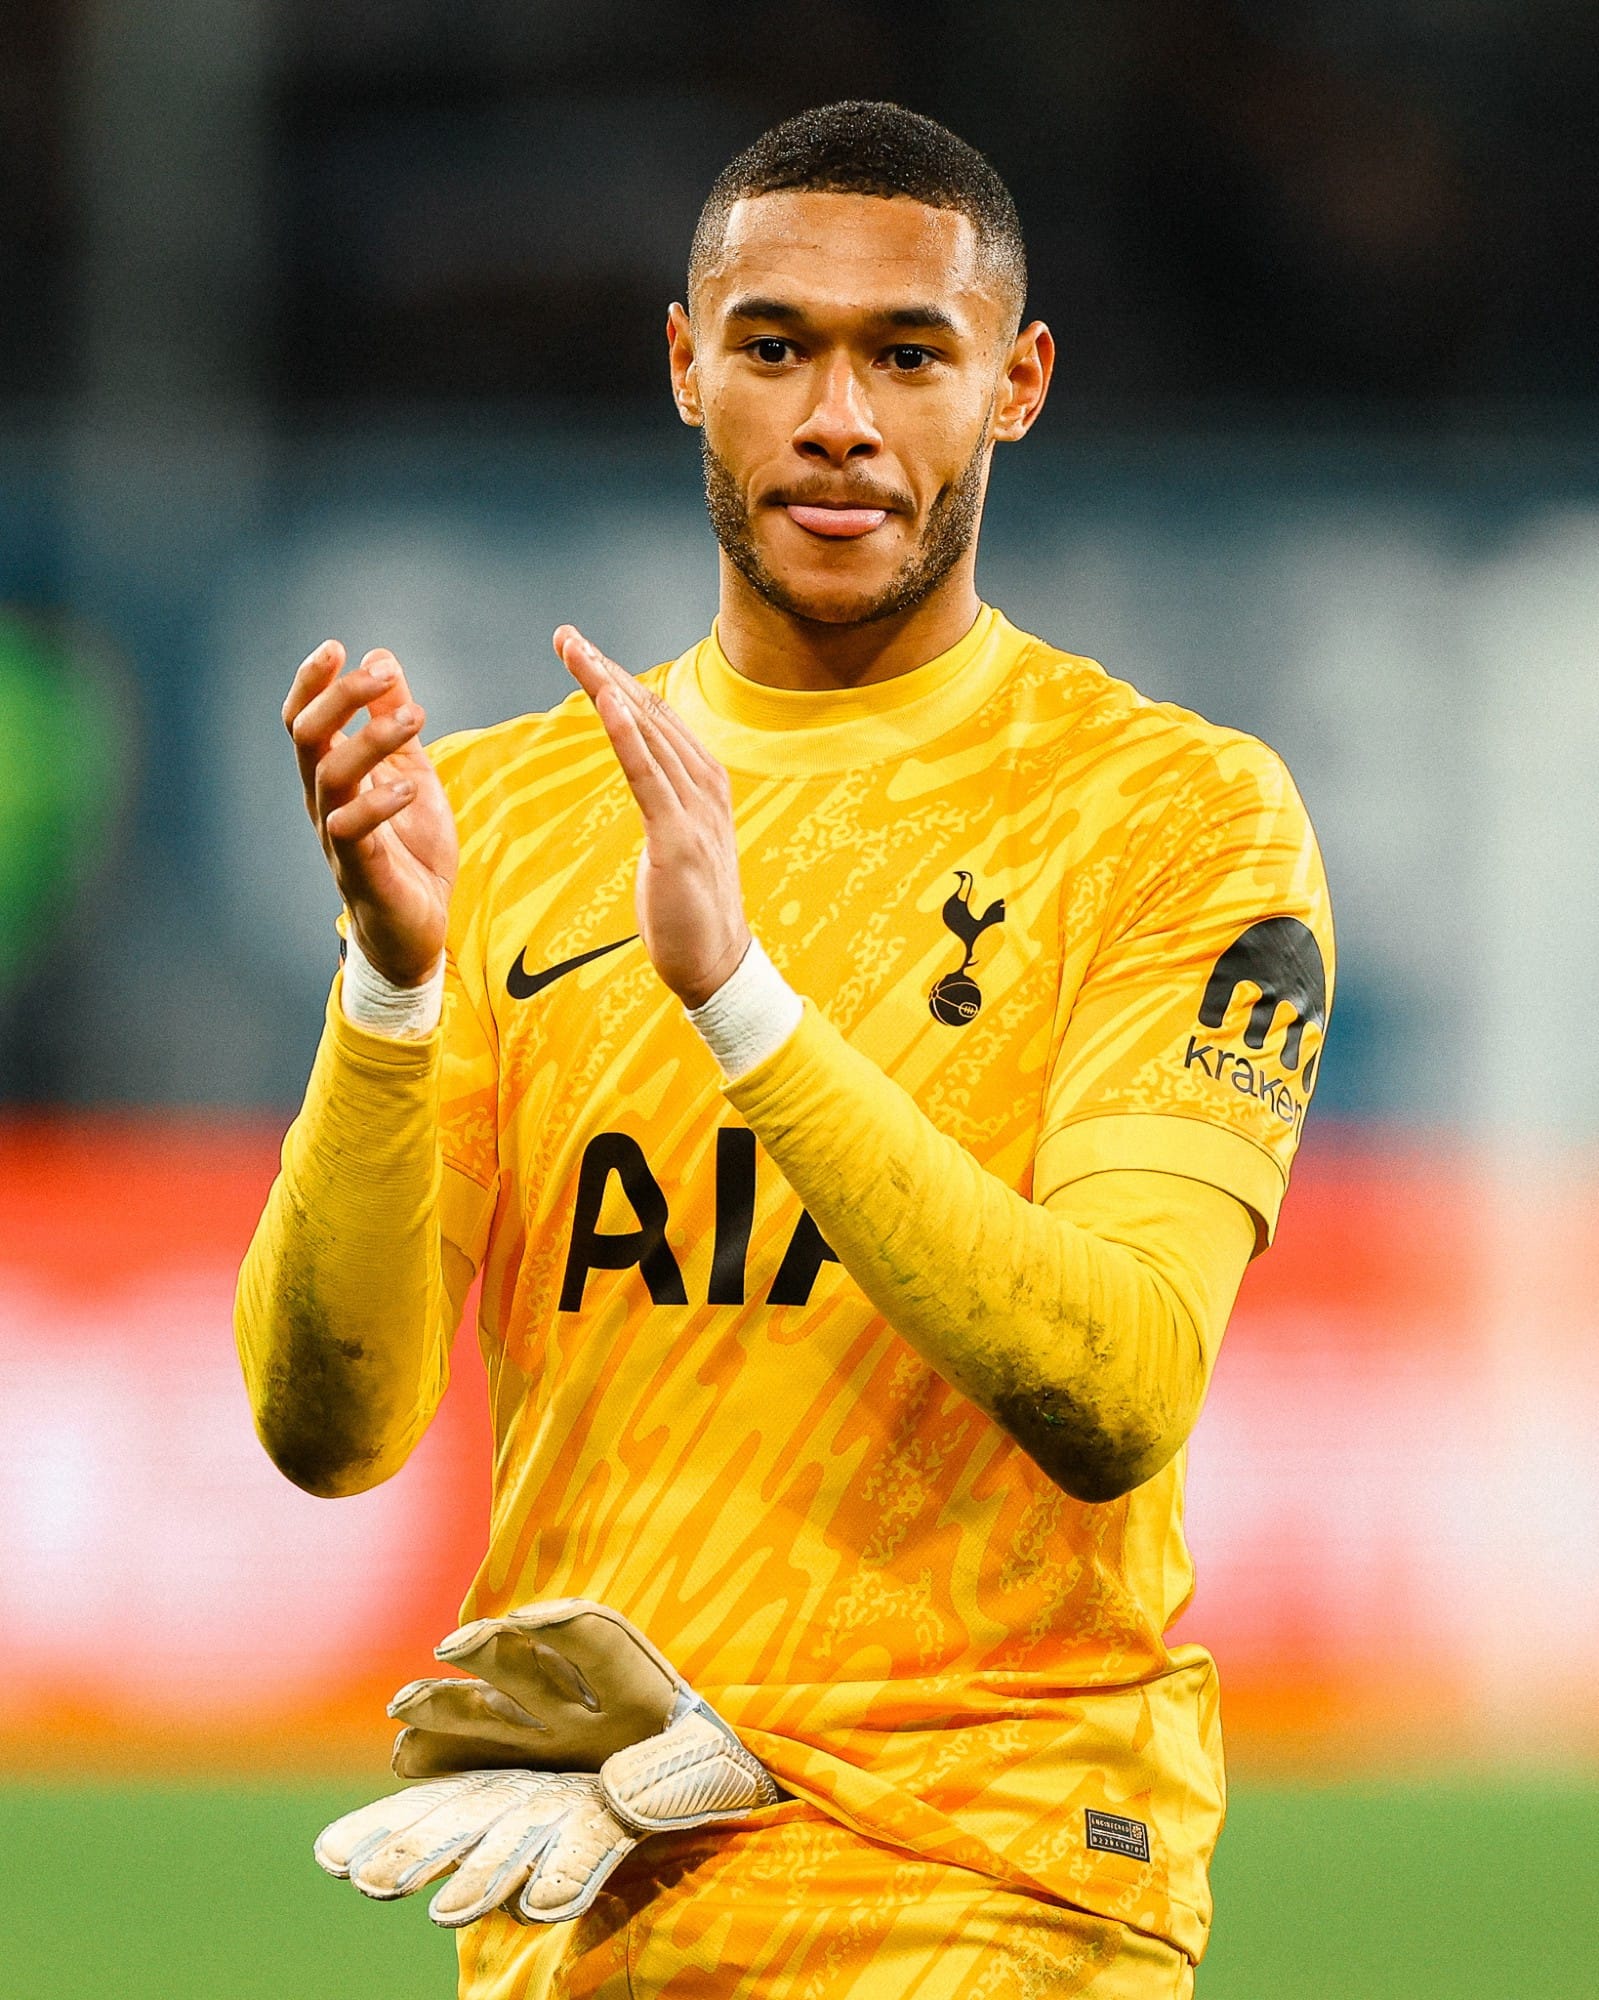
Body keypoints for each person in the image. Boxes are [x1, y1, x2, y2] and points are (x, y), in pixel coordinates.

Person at [236, 100, 1333, 2000]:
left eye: (909, 354)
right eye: (776, 347)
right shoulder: (494, 821)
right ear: (685, 366)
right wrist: (392, 993)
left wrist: (743, 1002)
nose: (841, 419)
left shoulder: (1168, 816)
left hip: (991, 1867)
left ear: (1019, 382)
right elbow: (331, 1434)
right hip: (600, 1876)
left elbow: (1123, 1384)